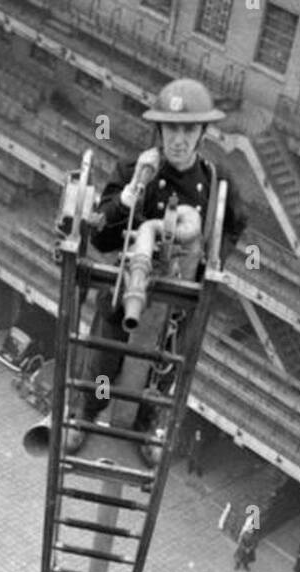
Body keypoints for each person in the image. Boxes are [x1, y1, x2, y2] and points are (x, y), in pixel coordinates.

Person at [69, 78, 246, 448]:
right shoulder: (133, 170)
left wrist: (211, 264)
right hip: (126, 287)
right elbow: (100, 236)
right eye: (171, 128)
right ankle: (85, 414)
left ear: (201, 133)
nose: (178, 139)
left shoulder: (217, 182)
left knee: (163, 370)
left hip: (177, 300)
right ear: (159, 129)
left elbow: (234, 225)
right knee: (104, 357)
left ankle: (148, 427)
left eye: (189, 129)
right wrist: (129, 196)